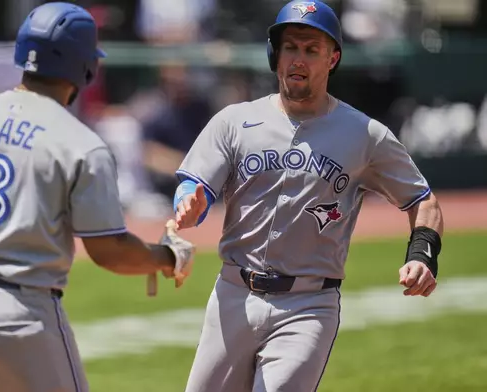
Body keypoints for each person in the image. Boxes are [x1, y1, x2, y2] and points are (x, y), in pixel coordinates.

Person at [0, 3, 195, 392]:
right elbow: (108, 250)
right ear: (86, 68)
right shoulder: (80, 143)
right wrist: (166, 257)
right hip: (22, 319)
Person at [172, 1, 444, 391]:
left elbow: (423, 201)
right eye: (291, 47)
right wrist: (189, 201)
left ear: (332, 58)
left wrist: (423, 254)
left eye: (311, 49)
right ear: (275, 55)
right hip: (231, 296)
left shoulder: (365, 135)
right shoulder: (234, 121)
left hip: (308, 306)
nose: (298, 59)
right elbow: (194, 186)